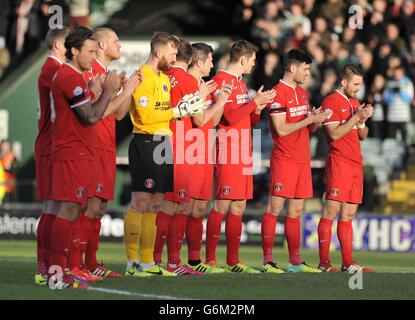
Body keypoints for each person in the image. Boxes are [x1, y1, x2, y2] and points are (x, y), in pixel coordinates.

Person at [123, 32, 205, 277]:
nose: (174, 57)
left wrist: (183, 110)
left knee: (156, 204)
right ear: (158, 52)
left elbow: (167, 113)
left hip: (163, 141)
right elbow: (147, 116)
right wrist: (176, 111)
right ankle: (132, 263)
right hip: (146, 141)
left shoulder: (163, 80)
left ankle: (148, 262)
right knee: (141, 202)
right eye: (171, 52)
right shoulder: (142, 77)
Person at [67, 28, 143, 280]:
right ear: (100, 44)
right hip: (92, 147)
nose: (120, 45)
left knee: (99, 206)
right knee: (88, 205)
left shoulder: (106, 74)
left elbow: (118, 114)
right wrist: (118, 91)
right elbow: (93, 113)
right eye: (115, 40)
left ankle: (90, 262)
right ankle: (74, 263)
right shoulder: (89, 73)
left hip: (107, 146)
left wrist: (128, 89)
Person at [49, 26, 120, 289]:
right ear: (74, 50)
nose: (93, 57)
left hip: (79, 152)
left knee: (74, 210)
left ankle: (63, 270)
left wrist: (95, 91)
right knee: (68, 210)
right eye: (89, 51)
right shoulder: (68, 76)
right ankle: (57, 274)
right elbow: (90, 116)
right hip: (72, 152)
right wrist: (108, 91)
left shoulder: (75, 77)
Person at [204, 40, 275, 273]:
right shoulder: (219, 82)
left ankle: (233, 260)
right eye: (253, 60)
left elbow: (248, 120)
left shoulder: (241, 84)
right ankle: (209, 259)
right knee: (223, 203)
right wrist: (254, 103)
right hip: (228, 149)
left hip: (244, 149)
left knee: (239, 205)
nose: (254, 64)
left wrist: (257, 108)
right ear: (243, 60)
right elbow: (228, 118)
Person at [261, 49, 328, 273]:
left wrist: (316, 120)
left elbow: (306, 128)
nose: (308, 74)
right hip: (284, 159)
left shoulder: (303, 94)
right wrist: (309, 118)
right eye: (305, 69)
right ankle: (268, 260)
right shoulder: (277, 93)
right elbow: (280, 129)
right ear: (292, 68)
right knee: (275, 207)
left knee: (296, 211)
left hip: (302, 160)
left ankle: (295, 261)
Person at [318, 64, 374, 273]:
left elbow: (363, 135)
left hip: (355, 164)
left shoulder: (354, 102)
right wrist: (356, 117)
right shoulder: (330, 102)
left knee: (348, 216)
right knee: (330, 211)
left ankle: (347, 263)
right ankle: (324, 263)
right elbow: (334, 134)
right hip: (339, 162)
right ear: (344, 82)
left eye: (360, 84)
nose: (358, 88)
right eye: (355, 84)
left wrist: (363, 120)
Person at [185, 42, 232, 273]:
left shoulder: (204, 86)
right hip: (189, 151)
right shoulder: (188, 84)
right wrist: (219, 103)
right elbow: (199, 120)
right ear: (200, 61)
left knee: (199, 209)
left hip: (205, 150)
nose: (213, 64)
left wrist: (220, 102)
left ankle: (195, 260)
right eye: (210, 60)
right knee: (183, 208)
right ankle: (168, 259)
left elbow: (211, 120)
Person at [34, 26, 70, 286]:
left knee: (53, 208)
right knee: (53, 208)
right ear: (59, 45)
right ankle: (46, 268)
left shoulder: (52, 69)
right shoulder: (53, 70)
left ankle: (45, 268)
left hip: (51, 144)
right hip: (51, 145)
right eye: (70, 43)